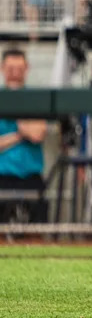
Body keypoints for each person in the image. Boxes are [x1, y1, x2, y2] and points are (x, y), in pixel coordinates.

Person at [0, 47, 47, 223]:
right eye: (10, 69)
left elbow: (37, 134)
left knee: (37, 233)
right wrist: (21, 133)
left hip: (31, 177)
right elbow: (29, 132)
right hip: (3, 177)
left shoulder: (35, 98)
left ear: (26, 68)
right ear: (2, 68)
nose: (14, 74)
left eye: (19, 69)